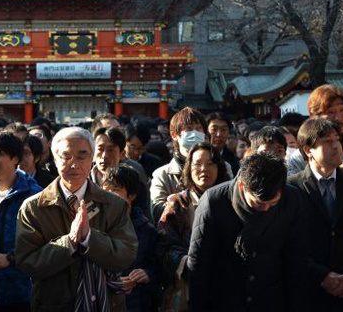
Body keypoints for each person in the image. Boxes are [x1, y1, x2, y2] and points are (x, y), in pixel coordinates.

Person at [15, 127, 138, 312]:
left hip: (105, 302)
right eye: (66, 156)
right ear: (55, 160)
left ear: (92, 159)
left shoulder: (114, 205)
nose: (74, 165)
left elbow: (126, 254)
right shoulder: (34, 207)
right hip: (53, 304)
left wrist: (89, 238)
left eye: (82, 156)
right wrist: (69, 243)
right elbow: (26, 261)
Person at [187, 152, 307, 311]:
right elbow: (198, 264)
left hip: (272, 299)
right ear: (243, 186)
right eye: (258, 204)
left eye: (272, 204)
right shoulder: (214, 202)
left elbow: (296, 256)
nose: (265, 209)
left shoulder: (292, 199)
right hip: (225, 300)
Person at [289, 119, 343, 311]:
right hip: (309, 293)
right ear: (308, 150)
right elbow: (288, 242)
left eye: (337, 140)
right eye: (327, 141)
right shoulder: (291, 189)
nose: (336, 146)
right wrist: (321, 276)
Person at [156, 142, 229, 311]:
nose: (203, 169)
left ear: (219, 168)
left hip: (224, 285)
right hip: (186, 287)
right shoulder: (178, 203)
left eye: (210, 164)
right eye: (197, 164)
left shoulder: (230, 201)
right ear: (189, 168)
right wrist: (189, 263)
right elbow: (163, 246)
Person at [0, 130, 42, 312]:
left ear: (15, 159)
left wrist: (11, 258)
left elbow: (46, 241)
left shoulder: (34, 195)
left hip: (21, 290)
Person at [102, 163, 157, 312]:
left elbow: (158, 265)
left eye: (115, 190)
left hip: (136, 303)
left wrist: (147, 274)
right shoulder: (95, 226)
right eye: (105, 190)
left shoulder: (146, 230)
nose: (108, 195)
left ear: (131, 195)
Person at [287, 84, 343, 177]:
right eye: (331, 112)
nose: (339, 118)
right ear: (314, 117)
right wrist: (335, 173)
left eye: (342, 110)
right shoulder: (299, 158)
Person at [92, 126, 152, 220]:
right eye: (100, 149)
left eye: (110, 150)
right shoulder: (83, 179)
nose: (104, 156)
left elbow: (145, 216)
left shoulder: (132, 180)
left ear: (122, 154)